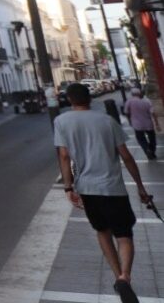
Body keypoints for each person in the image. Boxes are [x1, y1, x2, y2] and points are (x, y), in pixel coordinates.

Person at [55, 82, 154, 303]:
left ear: (70, 100)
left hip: (87, 189)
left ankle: (116, 274)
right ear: (90, 98)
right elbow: (126, 156)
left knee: (102, 231)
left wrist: (69, 187)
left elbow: (64, 156)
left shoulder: (61, 121)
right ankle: (125, 276)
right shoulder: (107, 121)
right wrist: (140, 186)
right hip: (113, 188)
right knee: (124, 235)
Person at [122, 89, 158, 161]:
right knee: (152, 138)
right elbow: (152, 112)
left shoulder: (129, 102)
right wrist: (157, 123)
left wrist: (130, 121)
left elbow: (126, 112)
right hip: (148, 123)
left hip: (137, 125)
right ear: (139, 94)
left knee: (141, 139)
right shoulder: (146, 101)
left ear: (132, 94)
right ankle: (152, 151)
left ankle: (146, 148)